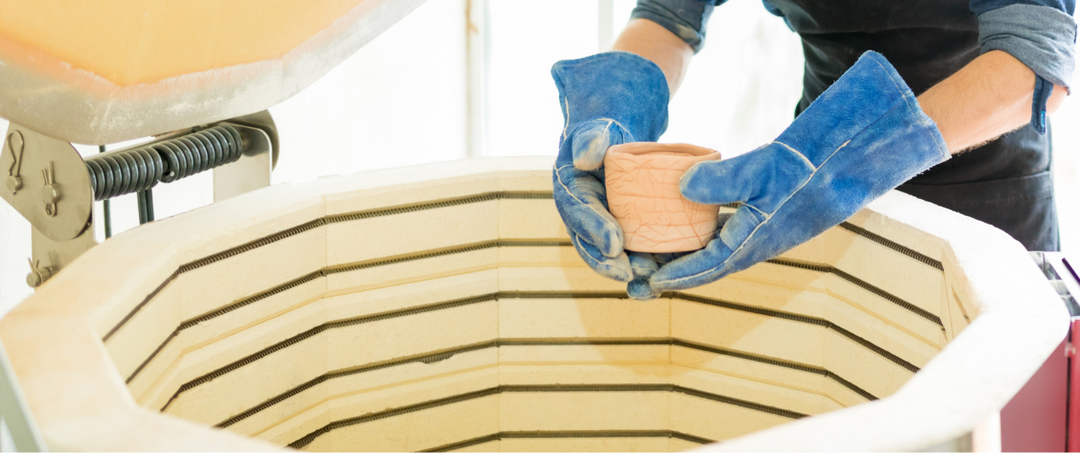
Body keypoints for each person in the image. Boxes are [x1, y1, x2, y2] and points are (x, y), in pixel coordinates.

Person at [552, 0, 1075, 300]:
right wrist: (617, 101)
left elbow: (1032, 63)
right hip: (808, 195)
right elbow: (667, 18)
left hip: (984, 198)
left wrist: (852, 159)